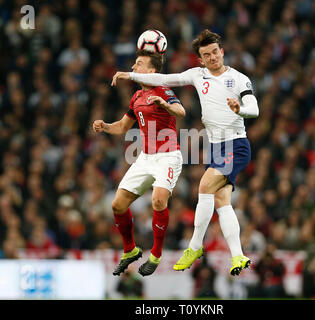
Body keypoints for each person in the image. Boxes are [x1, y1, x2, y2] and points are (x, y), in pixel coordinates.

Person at [111, 29, 259, 276]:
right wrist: (130, 74)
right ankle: (238, 255)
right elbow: (164, 80)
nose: (212, 57)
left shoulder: (239, 79)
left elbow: (253, 107)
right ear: (200, 59)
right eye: (206, 55)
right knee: (222, 200)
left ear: (222, 52)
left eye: (215, 52)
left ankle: (194, 246)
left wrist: (240, 109)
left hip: (235, 144)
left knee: (204, 187)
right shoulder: (196, 75)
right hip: (216, 147)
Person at [93, 49, 185, 276]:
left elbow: (181, 110)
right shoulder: (136, 97)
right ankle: (130, 249)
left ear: (152, 71)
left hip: (168, 155)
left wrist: (164, 104)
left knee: (158, 200)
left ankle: (156, 253)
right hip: (145, 157)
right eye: (134, 64)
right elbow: (123, 127)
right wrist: (104, 126)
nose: (134, 68)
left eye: (139, 64)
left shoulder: (163, 90)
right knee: (117, 205)